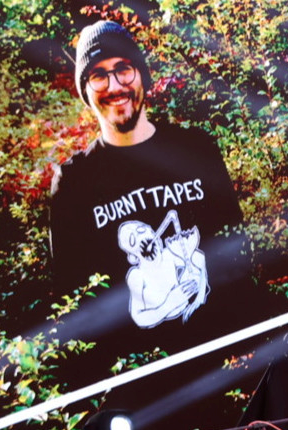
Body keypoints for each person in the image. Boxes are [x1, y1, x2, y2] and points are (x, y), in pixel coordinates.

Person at [48, 19, 249, 363]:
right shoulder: (73, 183)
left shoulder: (196, 151)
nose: (115, 86)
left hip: (225, 363)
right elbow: (76, 308)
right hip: (142, 379)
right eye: (98, 75)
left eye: (123, 69)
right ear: (85, 90)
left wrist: (246, 352)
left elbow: (237, 253)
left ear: (141, 74)